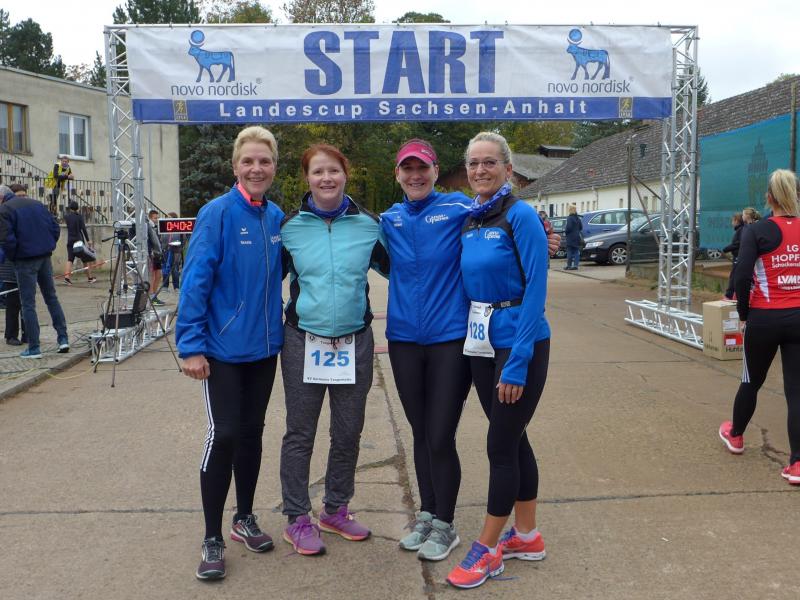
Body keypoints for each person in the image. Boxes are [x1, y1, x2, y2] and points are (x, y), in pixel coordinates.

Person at [175, 126, 285, 581]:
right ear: (236, 166)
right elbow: (195, 280)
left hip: (263, 349)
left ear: (274, 166)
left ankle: (244, 517)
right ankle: (212, 536)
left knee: (252, 433)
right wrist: (191, 345)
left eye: (264, 161)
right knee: (223, 435)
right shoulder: (216, 213)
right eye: (248, 161)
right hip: (221, 350)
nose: (257, 168)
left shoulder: (275, 216)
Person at [447, 132, 550, 589]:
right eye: (473, 163)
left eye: (490, 162)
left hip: (517, 343)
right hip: (481, 341)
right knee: (514, 438)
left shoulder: (519, 215)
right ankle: (526, 535)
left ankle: (488, 547)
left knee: (499, 445)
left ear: (509, 169)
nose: (480, 170)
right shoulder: (471, 218)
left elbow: (537, 290)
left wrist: (518, 361)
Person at [279, 144, 388, 556]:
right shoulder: (290, 228)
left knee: (347, 431)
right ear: (307, 178)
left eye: (334, 171)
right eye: (317, 171)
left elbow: (407, 267)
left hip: (353, 342)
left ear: (346, 174)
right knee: (300, 433)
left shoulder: (369, 226)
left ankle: (335, 509)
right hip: (302, 340)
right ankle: (297, 517)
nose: (326, 178)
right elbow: (260, 276)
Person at [381, 139, 473, 561]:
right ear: (397, 175)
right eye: (408, 169)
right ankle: (428, 513)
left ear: (436, 171)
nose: (415, 175)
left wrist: (543, 233)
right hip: (403, 340)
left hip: (449, 339)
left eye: (423, 168)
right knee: (420, 432)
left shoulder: (458, 208)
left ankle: (446, 525)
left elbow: (504, 217)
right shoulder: (389, 219)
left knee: (440, 434)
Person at [719, 169, 800, 485]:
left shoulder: (756, 231)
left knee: (751, 381)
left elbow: (741, 275)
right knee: (796, 390)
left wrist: (743, 313)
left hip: (763, 318)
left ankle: (736, 435)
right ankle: (796, 464)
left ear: (769, 197)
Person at [0, 181, 69, 358]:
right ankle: (63, 338)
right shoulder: (37, 204)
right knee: (51, 298)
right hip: (44, 256)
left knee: (28, 303)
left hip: (24, 260)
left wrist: (14, 256)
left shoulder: (4, 210)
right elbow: (54, 228)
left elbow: (6, 239)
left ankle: (34, 347)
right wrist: (48, 246)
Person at [0, 185, 25, 345]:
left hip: (23, 261)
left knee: (27, 302)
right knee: (13, 301)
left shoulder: (21, 211)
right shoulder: (6, 212)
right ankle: (11, 335)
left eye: (24, 195)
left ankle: (27, 333)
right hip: (10, 262)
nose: (22, 198)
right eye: (19, 195)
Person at [63, 201, 97, 285]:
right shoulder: (79, 217)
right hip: (78, 240)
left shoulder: (67, 217)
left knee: (70, 259)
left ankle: (67, 278)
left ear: (70, 208)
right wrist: (88, 240)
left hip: (70, 240)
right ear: (77, 208)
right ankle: (90, 278)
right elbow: (83, 229)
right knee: (85, 259)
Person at [160, 211, 184, 292]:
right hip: (166, 250)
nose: (167, 219)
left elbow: (183, 239)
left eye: (169, 217)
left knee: (175, 269)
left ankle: (176, 287)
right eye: (167, 217)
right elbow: (160, 238)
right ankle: (165, 286)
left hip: (176, 250)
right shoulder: (164, 227)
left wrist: (180, 247)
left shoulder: (178, 227)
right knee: (165, 268)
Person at [722, 213, 744, 300]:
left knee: (734, 276)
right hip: (737, 257)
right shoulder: (740, 230)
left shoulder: (741, 230)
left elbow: (738, 244)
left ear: (736, 221)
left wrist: (725, 249)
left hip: (739, 257)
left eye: (732, 221)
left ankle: (729, 296)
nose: (732, 223)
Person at [146, 209, 164, 305]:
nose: (156, 220)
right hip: (151, 254)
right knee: (152, 276)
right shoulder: (147, 226)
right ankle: (151, 296)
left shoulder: (156, 227)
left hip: (157, 254)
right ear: (150, 218)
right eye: (154, 218)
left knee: (159, 275)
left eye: (157, 218)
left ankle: (154, 295)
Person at [564, 204, 582, 270]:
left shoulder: (569, 218)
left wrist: (566, 232)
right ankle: (575, 265)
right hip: (577, 237)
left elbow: (568, 227)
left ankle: (569, 265)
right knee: (576, 251)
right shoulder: (578, 218)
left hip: (570, 237)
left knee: (569, 251)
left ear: (570, 210)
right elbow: (581, 227)